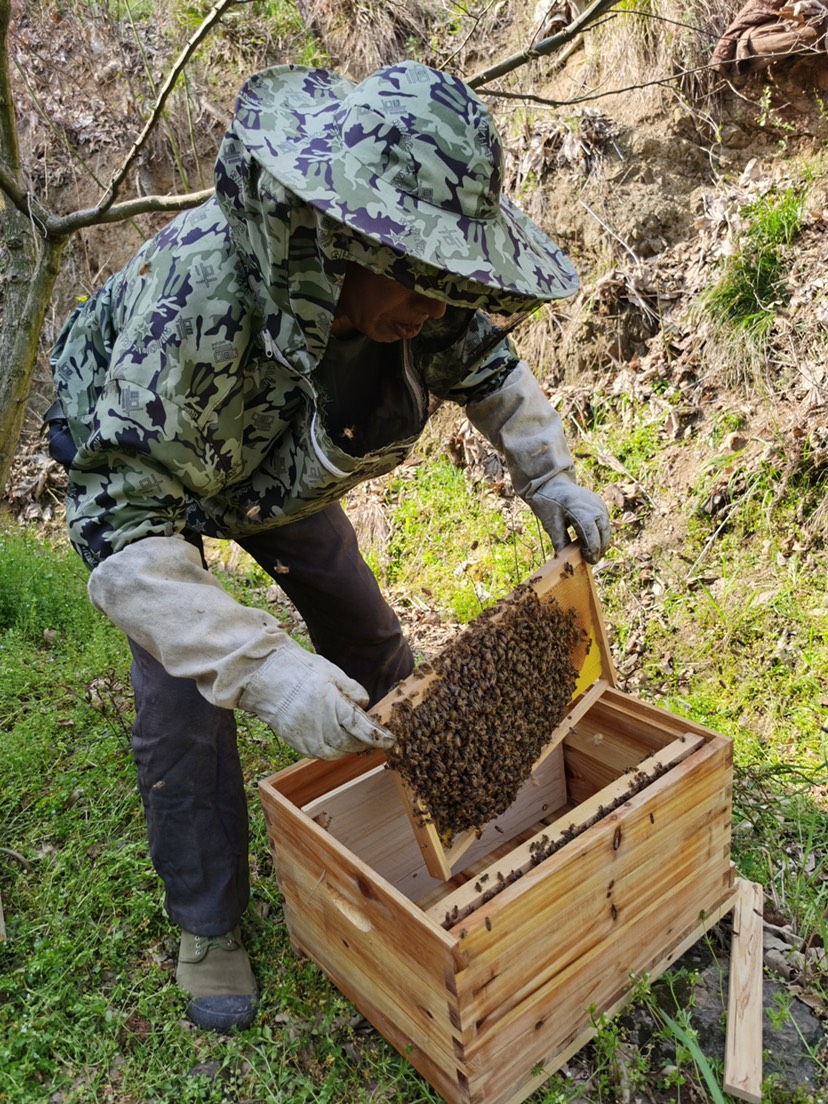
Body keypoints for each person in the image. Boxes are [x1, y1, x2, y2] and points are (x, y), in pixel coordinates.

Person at [46, 60, 611, 1033]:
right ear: (341, 238)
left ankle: (434, 803)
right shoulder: (196, 308)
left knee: (368, 634)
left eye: (447, 284)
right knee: (184, 701)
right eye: (418, 284)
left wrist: (547, 472)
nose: (434, 308)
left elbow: (487, 365)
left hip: (278, 473)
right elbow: (123, 529)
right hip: (158, 474)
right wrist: (266, 672)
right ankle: (209, 924)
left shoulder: (414, 288)